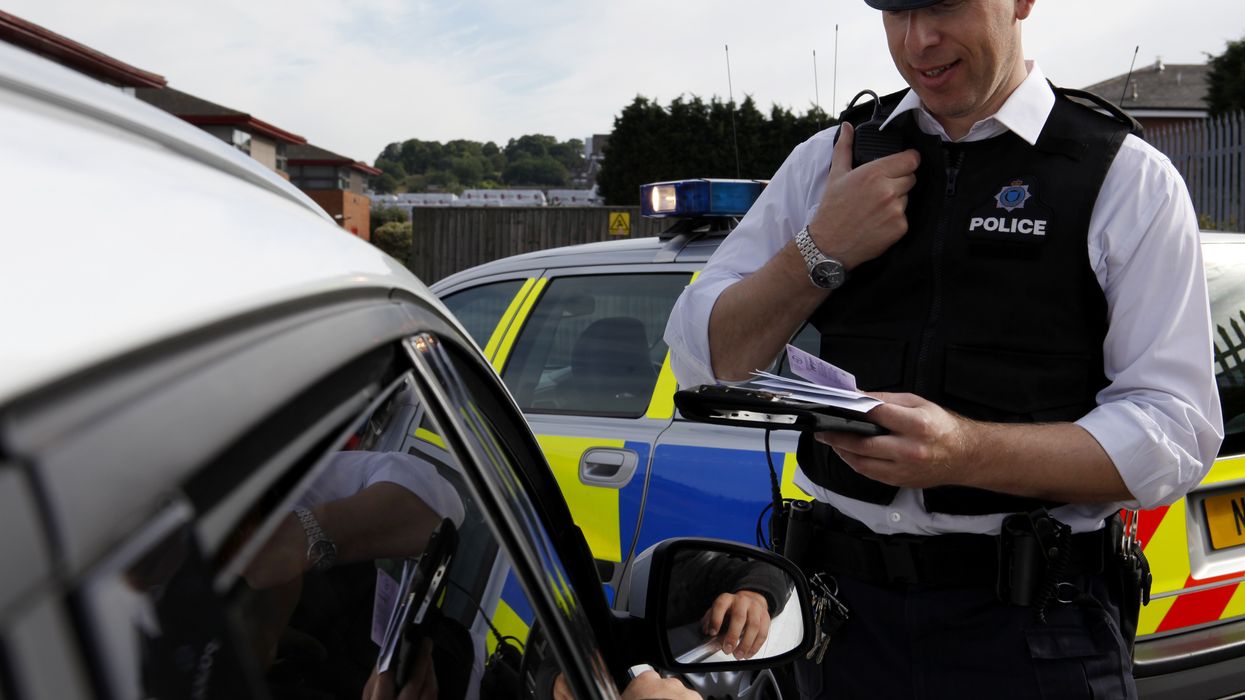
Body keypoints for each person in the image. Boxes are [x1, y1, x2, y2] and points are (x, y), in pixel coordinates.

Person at [663, 1, 1223, 698]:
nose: (917, 40)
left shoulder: (1122, 177)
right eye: (895, 11)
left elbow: (1174, 433)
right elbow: (705, 358)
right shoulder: (830, 160)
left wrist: (963, 451)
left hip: (1033, 632)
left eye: (944, 5)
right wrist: (819, 250)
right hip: (839, 623)